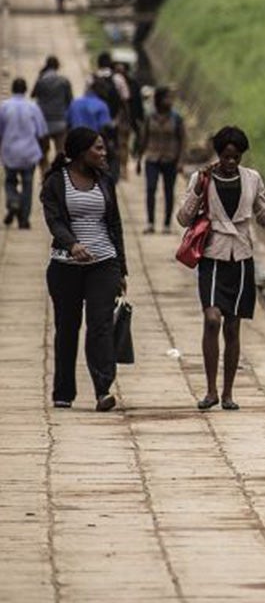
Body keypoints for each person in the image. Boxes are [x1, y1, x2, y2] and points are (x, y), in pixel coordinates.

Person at [176, 126, 265, 411]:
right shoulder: (202, 178)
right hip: (213, 255)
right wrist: (197, 189)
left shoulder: (252, 179)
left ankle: (228, 393)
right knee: (212, 319)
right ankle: (210, 390)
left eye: (237, 157)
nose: (232, 163)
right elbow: (183, 218)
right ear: (219, 154)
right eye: (227, 157)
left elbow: (263, 215)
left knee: (233, 326)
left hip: (241, 257)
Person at [41, 126, 126, 412]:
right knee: (67, 328)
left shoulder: (105, 180)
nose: (104, 153)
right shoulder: (55, 182)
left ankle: (103, 389)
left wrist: (122, 269)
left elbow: (114, 225)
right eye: (98, 148)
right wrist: (73, 245)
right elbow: (54, 221)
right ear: (80, 152)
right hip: (66, 266)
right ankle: (63, 392)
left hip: (104, 263)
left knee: (100, 325)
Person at [2, 77, 49, 229]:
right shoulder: (33, 107)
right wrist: (43, 152)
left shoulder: (4, 107)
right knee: (28, 185)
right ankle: (23, 219)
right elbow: (42, 133)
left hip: (10, 152)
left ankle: (13, 201)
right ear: (25, 89)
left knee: (10, 181)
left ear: (13, 89)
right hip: (29, 152)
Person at [139, 87, 186, 236]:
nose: (170, 102)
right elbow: (143, 137)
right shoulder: (150, 116)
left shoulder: (176, 118)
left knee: (169, 191)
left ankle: (166, 223)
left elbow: (183, 140)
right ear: (159, 100)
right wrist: (140, 158)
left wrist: (180, 161)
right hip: (152, 157)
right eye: (167, 98)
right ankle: (150, 222)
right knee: (151, 189)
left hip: (170, 158)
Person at [31, 56, 70, 171]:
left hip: (43, 123)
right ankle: (59, 175)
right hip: (60, 122)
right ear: (57, 66)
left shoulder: (41, 80)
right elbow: (70, 101)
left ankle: (45, 175)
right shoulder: (64, 81)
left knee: (43, 153)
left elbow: (33, 95)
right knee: (61, 152)